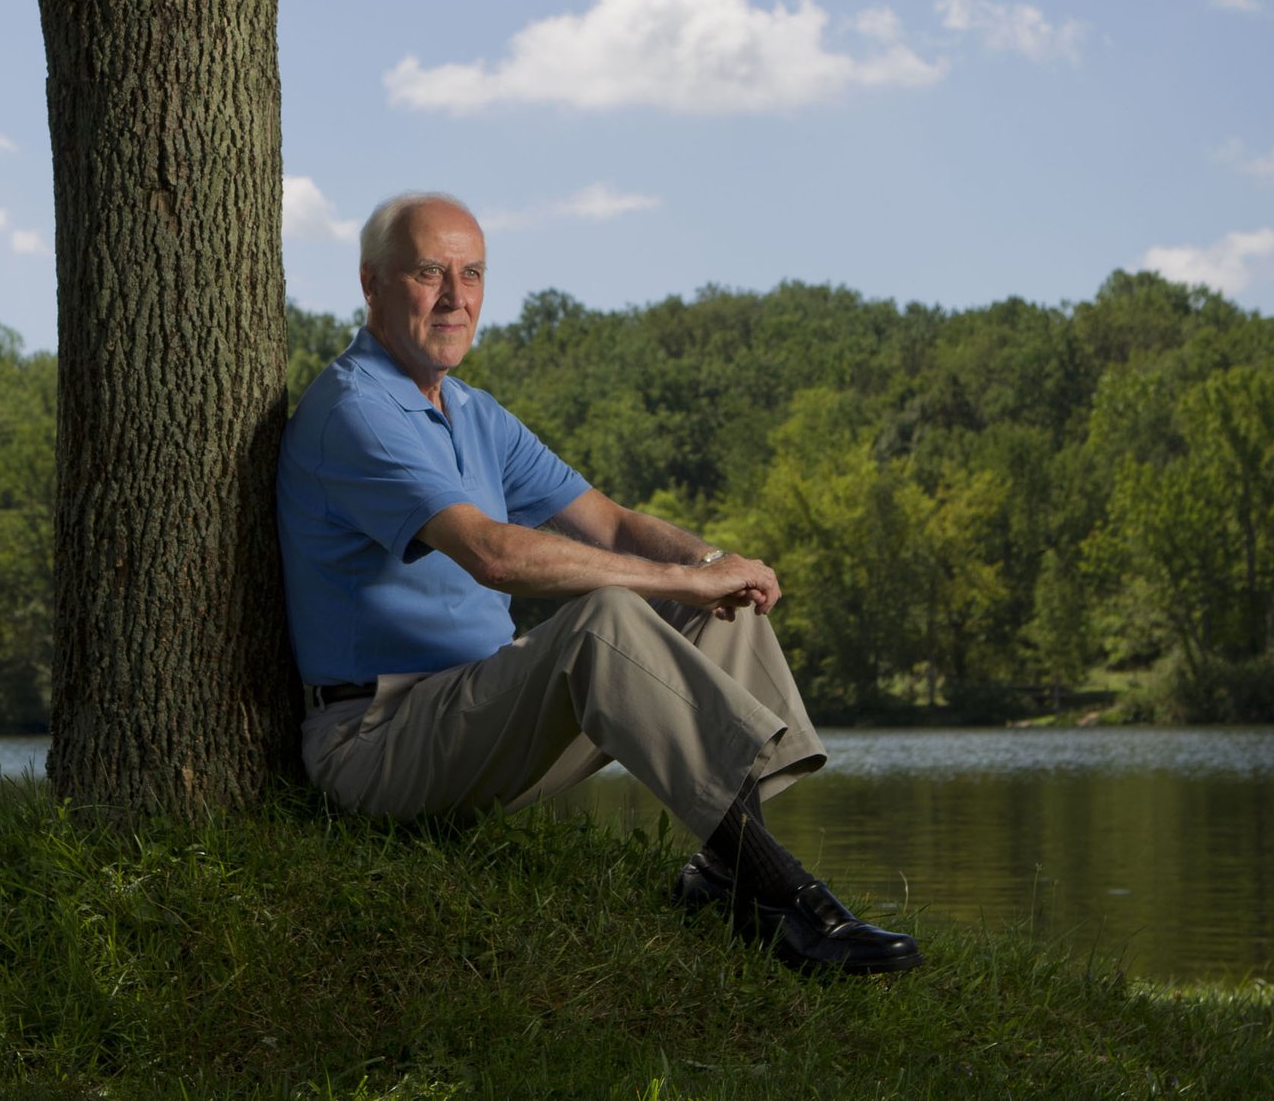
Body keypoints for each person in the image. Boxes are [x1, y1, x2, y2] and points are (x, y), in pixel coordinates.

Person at [277, 190, 920, 975]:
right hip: (378, 739)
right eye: (429, 272)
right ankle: (790, 899)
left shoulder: (474, 414)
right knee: (609, 617)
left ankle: (728, 871)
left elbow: (608, 522)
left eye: (472, 273)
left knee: (724, 607)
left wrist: (715, 565)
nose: (456, 296)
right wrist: (678, 580)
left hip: (477, 706)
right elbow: (493, 554)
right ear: (372, 283)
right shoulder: (355, 410)